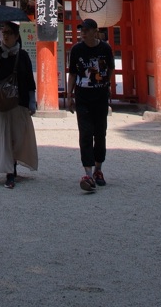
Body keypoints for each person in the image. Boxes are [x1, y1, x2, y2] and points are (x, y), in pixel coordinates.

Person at [0, 20, 38, 189]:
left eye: (8, 33)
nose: (5, 36)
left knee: (17, 136)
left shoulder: (23, 56)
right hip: (0, 101)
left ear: (16, 36)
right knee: (3, 136)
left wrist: (31, 100)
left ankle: (13, 164)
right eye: (3, 33)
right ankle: (9, 171)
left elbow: (29, 80)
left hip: (18, 101)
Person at [66, 18, 115, 192]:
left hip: (100, 95)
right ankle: (87, 171)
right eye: (81, 31)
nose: (83, 33)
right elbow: (72, 73)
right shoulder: (77, 50)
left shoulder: (105, 49)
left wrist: (106, 84)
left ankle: (98, 169)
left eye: (86, 30)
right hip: (83, 96)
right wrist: (69, 95)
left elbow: (110, 68)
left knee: (100, 133)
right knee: (85, 133)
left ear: (95, 31)